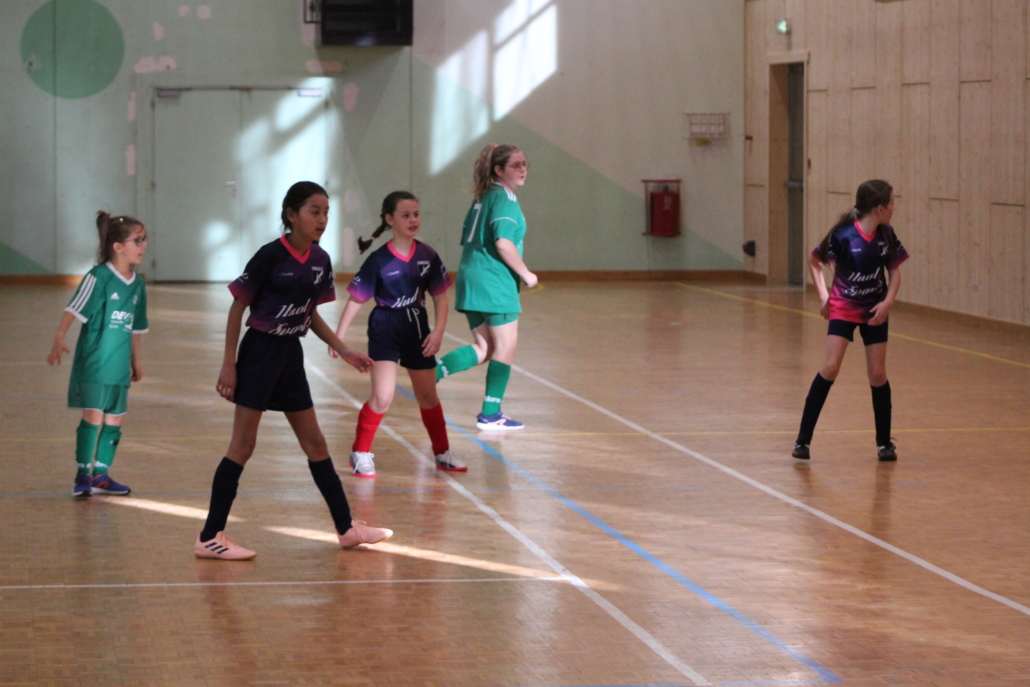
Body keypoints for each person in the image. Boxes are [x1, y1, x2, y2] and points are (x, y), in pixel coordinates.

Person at [195, 181, 391, 561]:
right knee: (242, 446)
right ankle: (208, 536)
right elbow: (237, 308)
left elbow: (309, 314)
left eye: (326, 212)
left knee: (316, 444)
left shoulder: (320, 260)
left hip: (290, 355)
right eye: (314, 212)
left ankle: (347, 528)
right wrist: (229, 364)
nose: (322, 219)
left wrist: (344, 350)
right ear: (291, 215)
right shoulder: (270, 256)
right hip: (260, 353)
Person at [332, 191, 463, 477]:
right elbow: (356, 299)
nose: (413, 220)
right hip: (385, 328)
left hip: (417, 328)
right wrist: (338, 339)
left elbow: (440, 297)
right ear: (390, 219)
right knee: (383, 397)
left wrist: (438, 332)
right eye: (406, 215)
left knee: (428, 396)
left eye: (416, 214)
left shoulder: (428, 255)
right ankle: (360, 452)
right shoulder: (378, 260)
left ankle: (442, 453)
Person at [792, 179, 909, 462]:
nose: (894, 208)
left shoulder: (886, 235)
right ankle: (802, 441)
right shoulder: (843, 235)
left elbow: (895, 272)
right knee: (830, 367)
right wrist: (824, 296)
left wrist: (888, 302)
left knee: (877, 373)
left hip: (875, 309)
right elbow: (814, 261)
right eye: (892, 203)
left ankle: (884, 444)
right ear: (879, 208)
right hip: (844, 308)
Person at [434, 143, 537, 430]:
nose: (522, 169)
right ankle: (491, 413)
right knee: (506, 345)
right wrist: (526, 273)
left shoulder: (483, 197)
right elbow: (503, 242)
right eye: (515, 165)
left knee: (485, 347)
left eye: (524, 164)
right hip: (494, 282)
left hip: (471, 278)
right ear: (499, 170)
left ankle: (430, 374)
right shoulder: (505, 199)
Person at [48, 213, 149, 497]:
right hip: (94, 363)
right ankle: (83, 475)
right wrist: (59, 337)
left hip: (118, 366)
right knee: (93, 415)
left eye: (145, 240)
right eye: (137, 240)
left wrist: (136, 361)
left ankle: (101, 476)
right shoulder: (98, 277)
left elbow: (136, 327)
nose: (143, 246)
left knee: (116, 418)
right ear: (118, 246)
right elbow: (73, 309)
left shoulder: (138, 284)